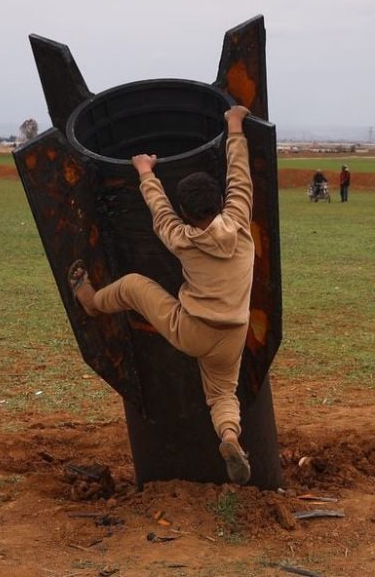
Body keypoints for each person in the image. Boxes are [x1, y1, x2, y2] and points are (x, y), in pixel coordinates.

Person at [68, 105, 256, 485]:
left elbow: (160, 213)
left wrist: (145, 172)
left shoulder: (182, 239)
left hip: (191, 328)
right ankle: (230, 436)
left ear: (186, 213)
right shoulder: (239, 222)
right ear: (221, 202)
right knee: (222, 394)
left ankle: (92, 303)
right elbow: (240, 176)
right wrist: (234, 126)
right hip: (233, 334)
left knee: (134, 286)